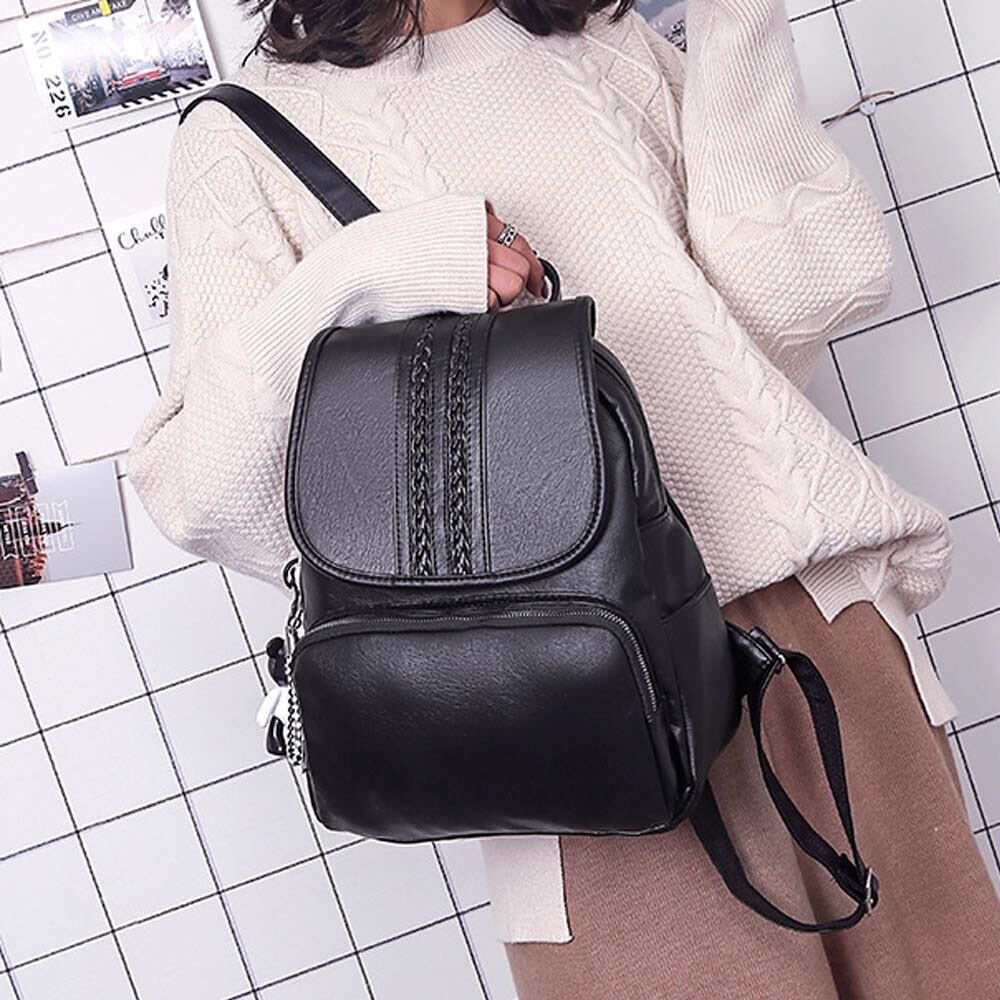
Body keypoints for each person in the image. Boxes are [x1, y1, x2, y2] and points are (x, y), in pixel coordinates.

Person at [127, 0, 1000, 995]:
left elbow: (796, 303)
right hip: (562, 708)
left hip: (816, 638)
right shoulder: (244, 137)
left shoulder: (607, 42)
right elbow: (204, 492)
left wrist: (740, 25)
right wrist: (369, 275)